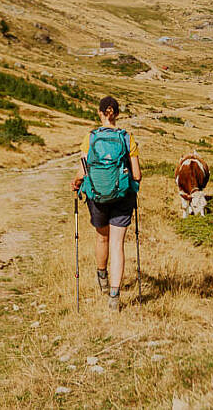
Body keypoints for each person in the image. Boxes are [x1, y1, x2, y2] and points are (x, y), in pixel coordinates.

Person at [71, 96, 141, 311]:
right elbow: (137, 175)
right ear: (117, 114)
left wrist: (76, 182)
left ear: (100, 113)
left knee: (102, 238)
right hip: (122, 197)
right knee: (117, 244)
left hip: (97, 197)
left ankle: (102, 275)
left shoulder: (90, 138)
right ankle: (114, 295)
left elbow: (83, 171)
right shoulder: (126, 138)